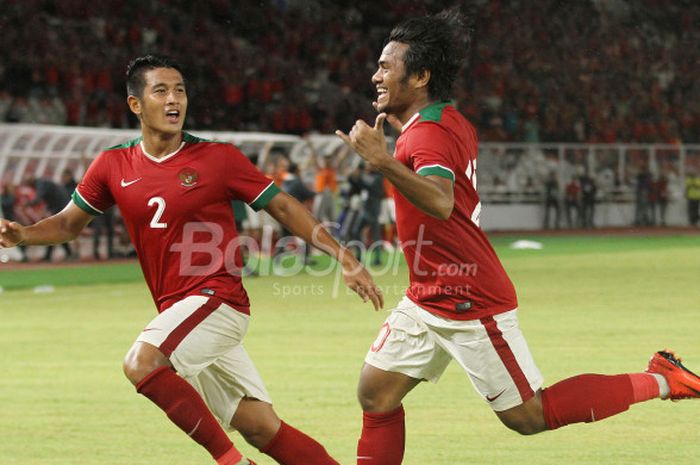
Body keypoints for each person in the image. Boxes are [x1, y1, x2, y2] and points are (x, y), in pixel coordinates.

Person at [335, 11, 700, 465]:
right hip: (429, 294)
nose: (376, 75)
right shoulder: (443, 120)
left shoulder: (426, 133)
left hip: (467, 298)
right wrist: (400, 148)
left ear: (421, 76)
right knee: (376, 394)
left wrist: (383, 162)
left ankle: (665, 379)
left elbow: (442, 201)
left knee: (529, 415)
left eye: (387, 67)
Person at [0, 55, 383, 465]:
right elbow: (68, 225)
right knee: (259, 425)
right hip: (181, 312)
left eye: (180, 90)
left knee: (141, 362)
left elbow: (285, 208)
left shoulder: (218, 158)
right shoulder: (112, 165)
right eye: (161, 91)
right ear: (135, 105)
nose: (174, 100)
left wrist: (343, 255)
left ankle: (233, 464)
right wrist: (23, 235)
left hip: (218, 300)